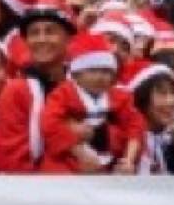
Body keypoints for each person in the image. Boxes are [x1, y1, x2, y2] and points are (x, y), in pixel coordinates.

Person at [38, 33, 143, 174]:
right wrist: (79, 152)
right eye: (92, 71)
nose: (100, 77)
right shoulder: (63, 94)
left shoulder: (119, 97)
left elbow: (135, 126)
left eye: (106, 71)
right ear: (76, 74)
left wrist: (128, 159)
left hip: (108, 164)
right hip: (66, 163)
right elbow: (49, 124)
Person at [0, 2, 72, 172]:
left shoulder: (85, 84)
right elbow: (10, 159)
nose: (42, 39)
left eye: (50, 31)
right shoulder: (16, 91)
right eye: (34, 33)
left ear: (67, 37)